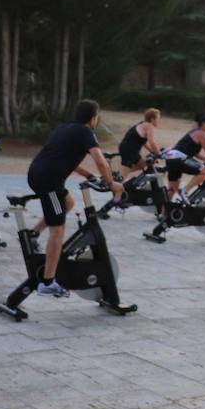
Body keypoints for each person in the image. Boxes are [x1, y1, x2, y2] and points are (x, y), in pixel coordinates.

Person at [27, 99, 123, 297]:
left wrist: (89, 176)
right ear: (93, 118)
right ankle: (47, 282)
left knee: (68, 203)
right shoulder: (86, 132)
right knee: (58, 228)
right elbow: (100, 160)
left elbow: (66, 157)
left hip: (40, 174)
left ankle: (33, 234)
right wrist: (111, 183)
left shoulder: (65, 128)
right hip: (49, 182)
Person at [164, 113, 205, 202]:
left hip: (172, 158)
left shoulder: (195, 132)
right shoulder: (201, 134)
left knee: (173, 188)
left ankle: (163, 213)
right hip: (179, 158)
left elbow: (196, 154)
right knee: (204, 172)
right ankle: (184, 191)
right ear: (204, 124)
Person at [117, 108, 163, 175]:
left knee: (143, 164)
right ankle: (119, 176)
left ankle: (119, 173)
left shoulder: (143, 123)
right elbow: (152, 142)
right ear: (152, 119)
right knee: (122, 178)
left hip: (128, 148)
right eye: (158, 118)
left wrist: (152, 151)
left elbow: (143, 142)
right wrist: (159, 153)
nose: (159, 121)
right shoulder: (149, 126)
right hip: (129, 150)